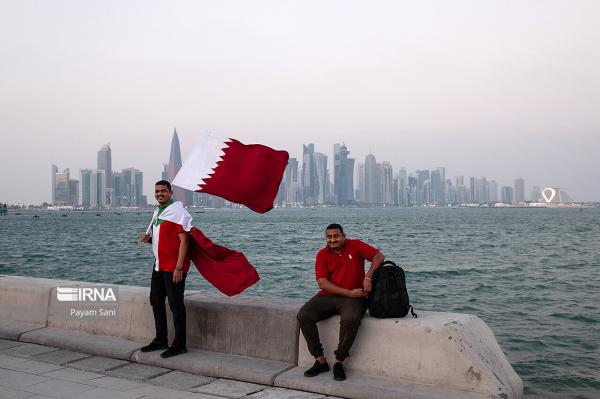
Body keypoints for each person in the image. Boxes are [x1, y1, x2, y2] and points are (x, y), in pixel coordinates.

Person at [297, 223, 384, 381]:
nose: (332, 240)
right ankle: (320, 360)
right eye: (329, 237)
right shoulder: (322, 254)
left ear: (344, 236)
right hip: (329, 295)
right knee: (304, 315)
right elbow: (322, 283)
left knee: (350, 320)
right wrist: (348, 293)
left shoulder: (355, 245)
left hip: (356, 297)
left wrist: (369, 276)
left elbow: (379, 256)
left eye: (336, 236)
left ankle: (339, 361)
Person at [139, 180, 191, 358]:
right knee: (156, 300)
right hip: (159, 265)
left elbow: (184, 241)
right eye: (157, 191)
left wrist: (179, 268)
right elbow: (164, 241)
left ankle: (180, 344)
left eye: (163, 191)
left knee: (176, 305)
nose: (159, 194)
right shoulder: (158, 213)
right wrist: (149, 240)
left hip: (174, 267)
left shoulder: (178, 212)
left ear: (170, 192)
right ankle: (161, 339)